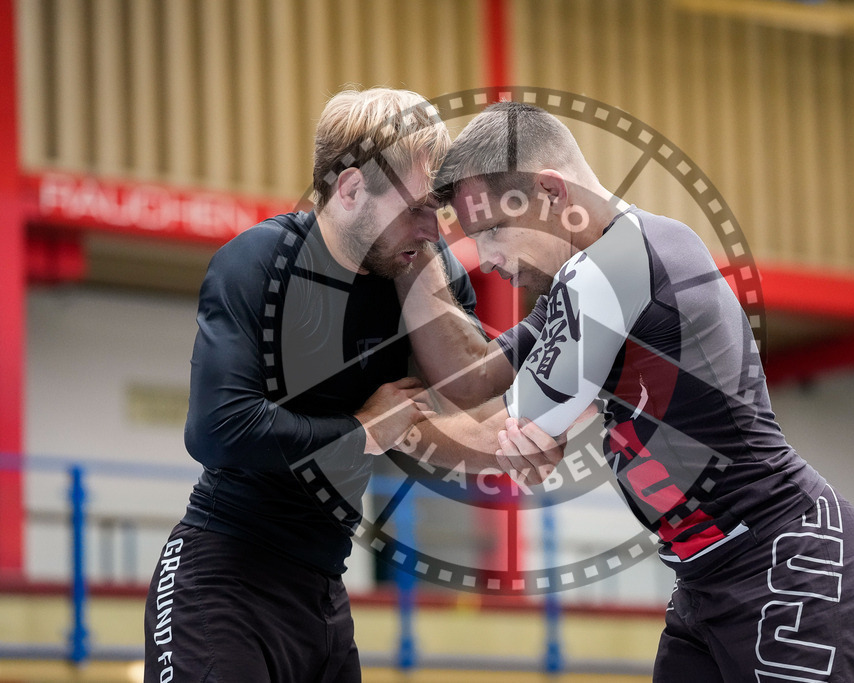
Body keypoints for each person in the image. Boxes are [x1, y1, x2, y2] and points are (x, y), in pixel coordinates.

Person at [399, 101, 854, 681]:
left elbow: (511, 437)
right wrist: (414, 261)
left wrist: (380, 428)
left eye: (492, 230)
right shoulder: (606, 262)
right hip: (708, 579)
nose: (486, 258)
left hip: (789, 566)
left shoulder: (609, 270)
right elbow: (475, 378)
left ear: (549, 192)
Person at [141, 87, 549, 683]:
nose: (433, 230)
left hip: (323, 593)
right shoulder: (260, 262)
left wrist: (509, 443)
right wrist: (361, 432)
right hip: (223, 577)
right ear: (352, 190)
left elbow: (475, 422)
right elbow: (218, 430)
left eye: (437, 211)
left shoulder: (423, 274)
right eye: (416, 208)